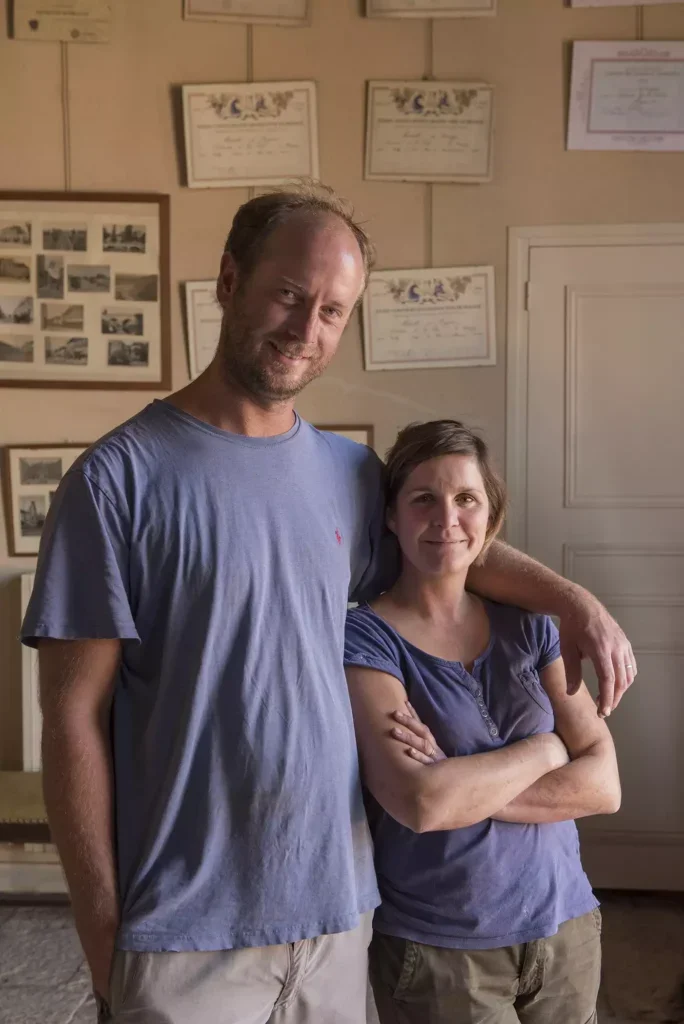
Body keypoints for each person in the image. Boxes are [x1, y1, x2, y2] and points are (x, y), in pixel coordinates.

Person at [21, 182, 634, 1024]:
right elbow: (72, 723)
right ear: (230, 280)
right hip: (183, 929)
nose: (307, 330)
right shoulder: (116, 481)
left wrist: (576, 603)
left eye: (334, 311)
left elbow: (458, 551)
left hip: (340, 913)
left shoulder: (350, 476)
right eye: (289, 294)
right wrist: (103, 939)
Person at [344, 419, 622, 1024]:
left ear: (489, 518)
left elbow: (603, 786)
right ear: (391, 517)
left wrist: (461, 784)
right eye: (423, 499)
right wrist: (551, 748)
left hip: (566, 926)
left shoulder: (532, 624)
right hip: (441, 950)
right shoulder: (365, 638)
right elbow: (421, 804)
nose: (446, 518)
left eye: (466, 499)